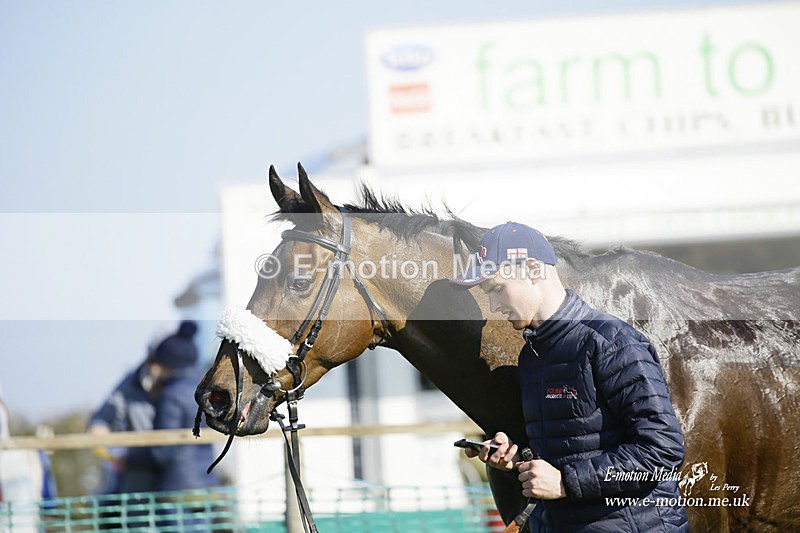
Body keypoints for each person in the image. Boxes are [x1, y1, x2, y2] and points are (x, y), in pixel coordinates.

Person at [450, 222, 688, 532]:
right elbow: (569, 451)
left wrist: (565, 482)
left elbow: (662, 451)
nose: (494, 306)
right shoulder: (532, 355)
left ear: (533, 269)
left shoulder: (611, 342)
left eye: (496, 288)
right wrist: (516, 461)